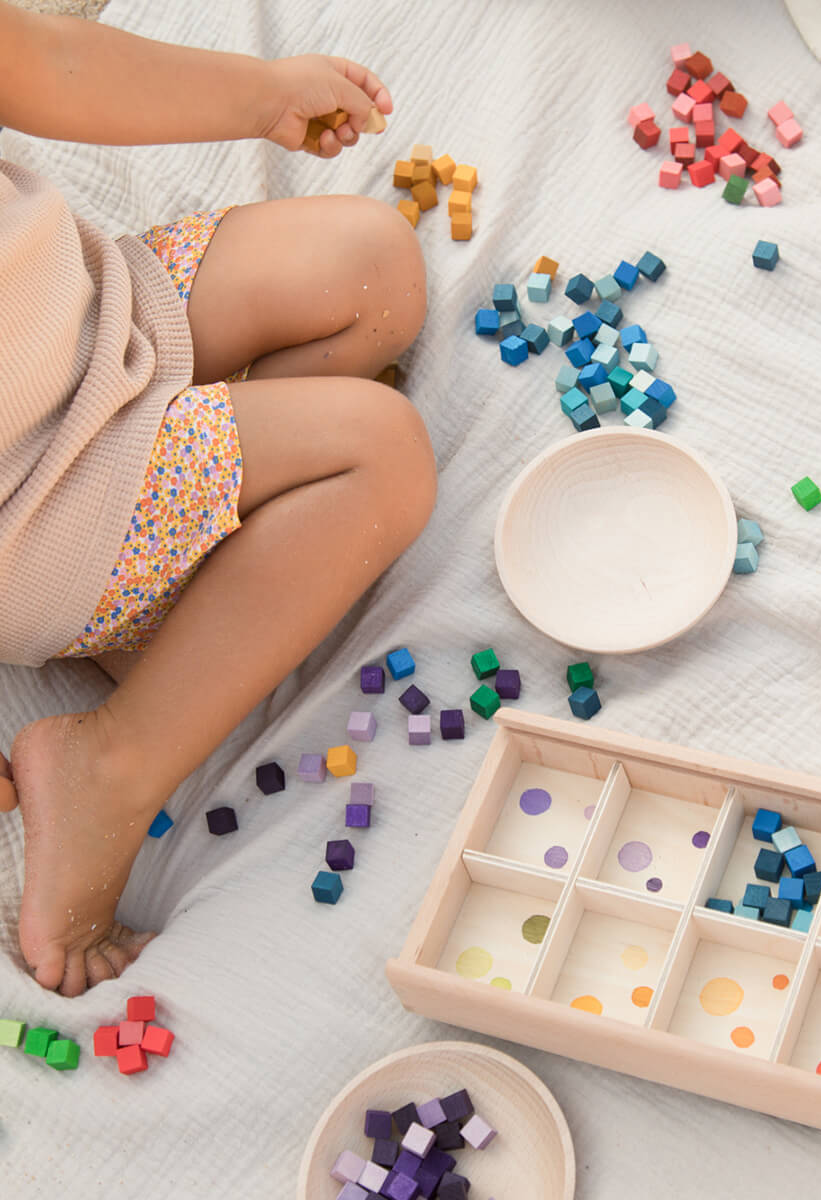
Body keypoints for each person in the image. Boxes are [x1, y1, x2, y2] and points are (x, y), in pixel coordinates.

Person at [0, 1, 436, 996]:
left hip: (101, 317)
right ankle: (109, 763)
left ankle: (177, 599)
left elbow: (56, 61)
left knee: (372, 265)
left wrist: (262, 97)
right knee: (383, 453)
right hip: (44, 505)